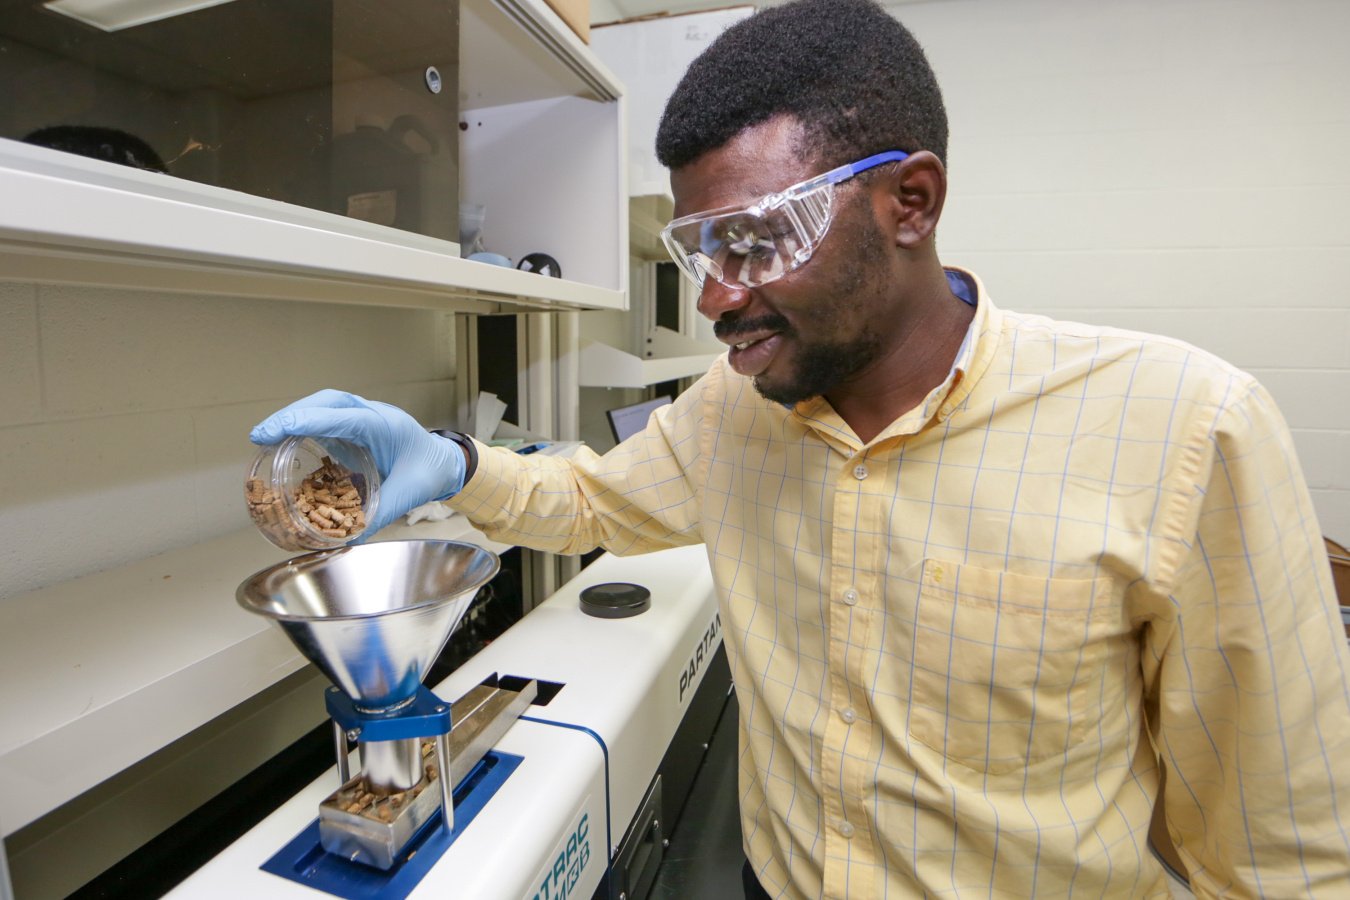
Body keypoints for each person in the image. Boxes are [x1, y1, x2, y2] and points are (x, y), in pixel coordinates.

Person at [252, 0, 1350, 895]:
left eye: (755, 239)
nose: (718, 298)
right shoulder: (735, 414)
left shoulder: (1186, 429)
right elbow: (589, 500)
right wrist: (453, 463)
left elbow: (1281, 855)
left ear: (909, 201)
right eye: (697, 249)